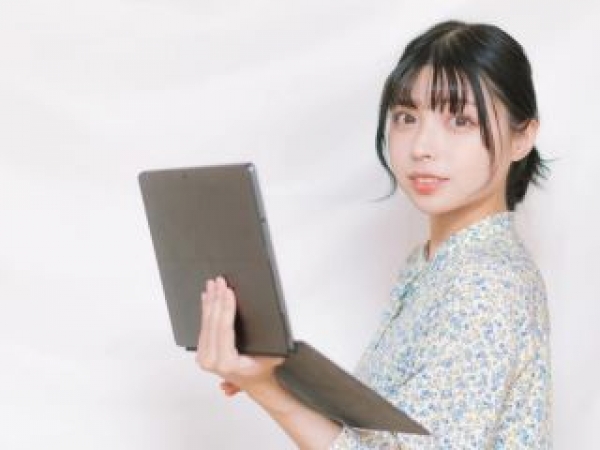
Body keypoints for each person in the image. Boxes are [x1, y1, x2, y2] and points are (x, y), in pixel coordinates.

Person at [196, 19, 553, 449]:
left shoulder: (486, 282)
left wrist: (267, 390)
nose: (421, 146)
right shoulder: (433, 263)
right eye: (406, 117)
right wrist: (271, 378)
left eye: (460, 120)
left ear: (522, 137)